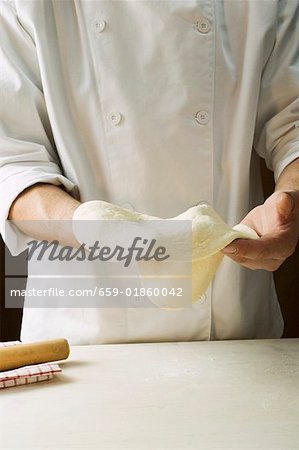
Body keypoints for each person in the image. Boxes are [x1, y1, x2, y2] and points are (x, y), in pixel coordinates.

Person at [0, 0, 298, 344]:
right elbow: (12, 162)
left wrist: (289, 200)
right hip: (84, 336)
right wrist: (92, 224)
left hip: (231, 329)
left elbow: (293, 120)